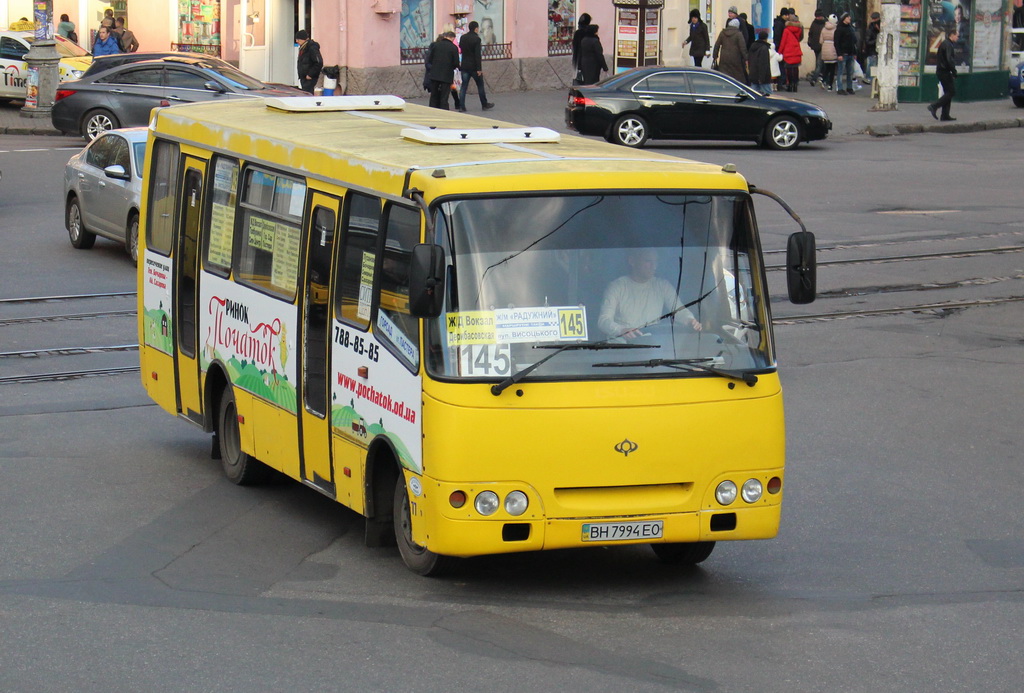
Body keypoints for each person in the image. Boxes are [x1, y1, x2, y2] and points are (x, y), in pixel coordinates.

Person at [598, 248, 702, 340]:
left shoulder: (662, 286)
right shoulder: (617, 286)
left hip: (652, 349)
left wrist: (690, 321)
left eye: (655, 262)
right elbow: (604, 321)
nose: (654, 266)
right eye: (648, 261)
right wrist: (622, 330)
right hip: (622, 349)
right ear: (632, 261)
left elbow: (679, 310)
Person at [458, 21, 494, 111]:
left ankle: (461, 106)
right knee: (480, 86)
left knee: (464, 87)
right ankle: (484, 104)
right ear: (476, 28)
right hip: (474, 67)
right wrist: (479, 69)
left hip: (465, 66)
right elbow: (477, 55)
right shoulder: (476, 39)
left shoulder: (463, 37)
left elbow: (461, 48)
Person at [928, 28, 958, 121]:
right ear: (952, 35)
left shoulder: (946, 43)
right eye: (957, 35)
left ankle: (945, 115)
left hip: (942, 71)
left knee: (947, 92)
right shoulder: (948, 45)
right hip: (944, 71)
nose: (958, 37)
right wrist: (954, 71)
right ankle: (934, 106)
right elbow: (949, 60)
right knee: (951, 92)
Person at [426, 31, 460, 109]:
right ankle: (443, 111)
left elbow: (430, 59)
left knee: (434, 95)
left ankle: (432, 109)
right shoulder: (453, 48)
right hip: (446, 75)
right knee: (444, 96)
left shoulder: (436, 45)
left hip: (435, 74)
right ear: (452, 38)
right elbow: (456, 63)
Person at [713, 18, 748, 84]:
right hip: (735, 58)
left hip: (724, 58)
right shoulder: (738, 34)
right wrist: (746, 58)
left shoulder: (723, 33)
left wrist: (715, 56)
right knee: (737, 77)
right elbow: (743, 48)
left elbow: (717, 45)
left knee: (724, 75)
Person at [778, 13, 803, 92]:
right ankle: (795, 85)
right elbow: (800, 38)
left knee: (788, 69)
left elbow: (783, 42)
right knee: (795, 68)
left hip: (788, 52)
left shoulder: (786, 30)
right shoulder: (799, 29)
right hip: (796, 51)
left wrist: (780, 51)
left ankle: (790, 85)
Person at [834, 12, 857, 95]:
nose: (849, 19)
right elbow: (836, 42)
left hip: (850, 53)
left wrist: (854, 53)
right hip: (843, 53)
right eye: (848, 17)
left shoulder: (851, 28)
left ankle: (849, 87)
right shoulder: (839, 29)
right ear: (844, 19)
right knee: (840, 71)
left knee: (850, 72)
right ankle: (840, 88)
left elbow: (853, 42)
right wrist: (839, 54)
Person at [295, 30, 323, 94]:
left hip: (309, 78)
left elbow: (319, 62)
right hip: (304, 77)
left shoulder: (311, 48)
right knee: (305, 94)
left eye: (298, 39)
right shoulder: (303, 48)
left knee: (308, 95)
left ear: (303, 39)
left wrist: (310, 74)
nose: (297, 41)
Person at [747, 29, 773, 95]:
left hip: (753, 75)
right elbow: (763, 64)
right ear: (766, 38)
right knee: (768, 95)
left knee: (753, 95)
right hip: (763, 78)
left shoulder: (753, 46)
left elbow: (749, 60)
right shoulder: (764, 48)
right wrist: (762, 78)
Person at [772, 7, 792, 88]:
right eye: (786, 15)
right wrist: (779, 48)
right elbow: (778, 36)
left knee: (781, 65)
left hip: (781, 47)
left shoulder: (781, 23)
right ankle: (781, 82)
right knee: (780, 65)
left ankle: (781, 82)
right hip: (780, 47)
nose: (787, 16)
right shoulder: (780, 23)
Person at [806, 9, 826, 86]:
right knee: (819, 63)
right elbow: (810, 34)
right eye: (817, 16)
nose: (818, 18)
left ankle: (815, 78)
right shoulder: (814, 24)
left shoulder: (824, 24)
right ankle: (819, 77)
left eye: (819, 16)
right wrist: (810, 42)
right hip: (816, 46)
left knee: (819, 63)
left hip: (823, 46)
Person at [819, 15, 839, 92]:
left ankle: (823, 80)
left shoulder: (824, 29)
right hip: (833, 49)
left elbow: (820, 41)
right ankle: (830, 85)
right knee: (832, 69)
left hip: (825, 49)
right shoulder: (835, 29)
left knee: (826, 68)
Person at [571, 13, 592, 77]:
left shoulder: (577, 33)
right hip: (587, 61)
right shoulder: (589, 33)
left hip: (578, 60)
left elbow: (575, 47)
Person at [863, 12, 881, 83]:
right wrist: (876, 40)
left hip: (873, 50)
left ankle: (870, 78)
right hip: (872, 50)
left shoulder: (873, 28)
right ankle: (869, 78)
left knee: (872, 64)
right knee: (871, 64)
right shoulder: (871, 29)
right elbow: (868, 42)